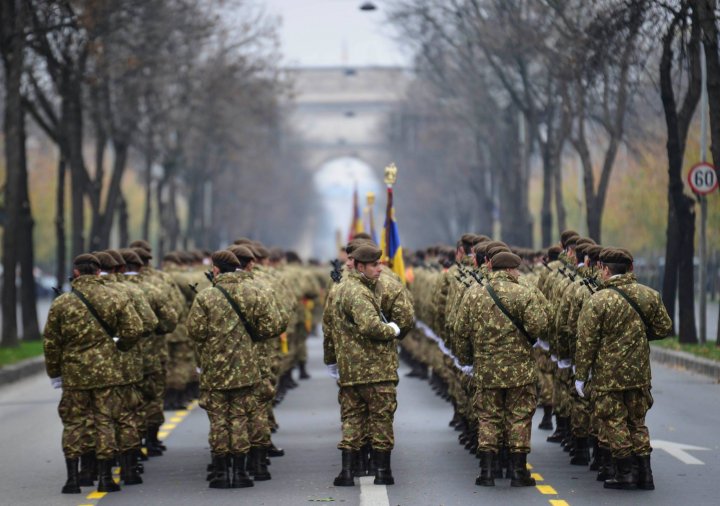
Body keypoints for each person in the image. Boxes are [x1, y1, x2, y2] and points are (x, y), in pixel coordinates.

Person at [44, 254, 143, 494]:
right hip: (108, 373)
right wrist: (120, 345)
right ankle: (106, 477)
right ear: (98, 272)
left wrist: (55, 372)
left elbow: (51, 342)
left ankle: (73, 479)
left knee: (74, 423)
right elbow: (135, 328)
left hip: (75, 374)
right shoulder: (116, 296)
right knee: (105, 421)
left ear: (76, 273)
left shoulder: (62, 303)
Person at [575, 248, 672, 491]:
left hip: (609, 376)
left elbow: (587, 342)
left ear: (605, 270)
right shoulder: (649, 295)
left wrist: (580, 375)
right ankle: (645, 474)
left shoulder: (597, 300)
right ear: (631, 268)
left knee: (615, 421)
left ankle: (625, 473)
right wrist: (638, 337)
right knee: (637, 421)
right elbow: (663, 328)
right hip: (639, 373)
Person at [187, 250, 285, 489]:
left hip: (216, 369)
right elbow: (273, 326)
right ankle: (241, 473)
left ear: (216, 269)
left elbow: (195, 332)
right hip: (247, 368)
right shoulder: (255, 292)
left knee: (219, 420)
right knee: (240, 418)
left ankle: (221, 472)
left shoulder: (206, 297)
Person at [453, 251, 549, 488]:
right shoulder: (523, 293)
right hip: (519, 371)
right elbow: (539, 325)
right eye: (516, 270)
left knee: (488, 417)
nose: (518, 273)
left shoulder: (473, 294)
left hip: (486, 369)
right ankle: (518, 472)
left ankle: (487, 471)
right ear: (508, 270)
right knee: (519, 418)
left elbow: (460, 330)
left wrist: (466, 361)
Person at [325, 243, 403, 487]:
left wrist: (331, 360)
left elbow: (328, 328)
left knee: (352, 420)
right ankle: (382, 471)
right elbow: (370, 326)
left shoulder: (343, 288)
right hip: (374, 370)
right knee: (380, 420)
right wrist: (392, 329)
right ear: (359, 267)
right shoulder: (357, 292)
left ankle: (347, 471)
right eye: (374, 265)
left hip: (352, 371)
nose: (379, 269)